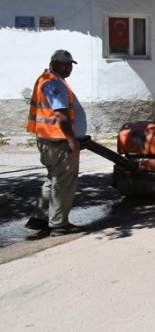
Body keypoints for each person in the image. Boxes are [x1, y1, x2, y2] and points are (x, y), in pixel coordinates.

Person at [25, 50, 87, 237]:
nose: (69, 68)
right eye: (65, 64)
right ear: (54, 64)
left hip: (47, 138)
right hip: (58, 141)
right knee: (64, 182)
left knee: (53, 178)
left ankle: (41, 218)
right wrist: (71, 140)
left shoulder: (46, 79)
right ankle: (59, 224)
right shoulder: (54, 83)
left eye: (70, 65)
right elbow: (60, 113)